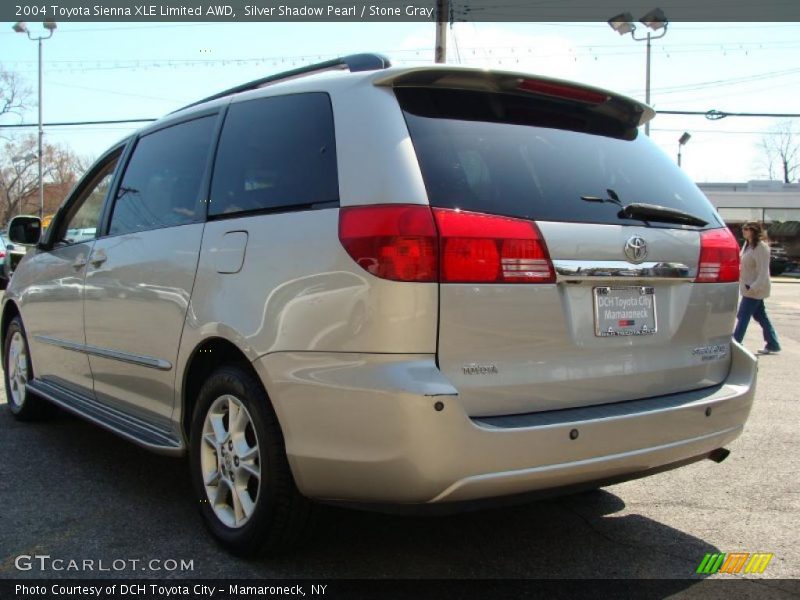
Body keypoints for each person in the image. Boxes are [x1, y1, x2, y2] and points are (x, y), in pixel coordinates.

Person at [733, 222, 781, 354]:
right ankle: (773, 344)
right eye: (743, 228)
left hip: (755, 289)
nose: (744, 231)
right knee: (761, 316)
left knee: (743, 315)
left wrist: (753, 287)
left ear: (754, 231)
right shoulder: (747, 245)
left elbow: (763, 272)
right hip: (748, 287)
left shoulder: (761, 248)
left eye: (747, 229)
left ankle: (735, 343)